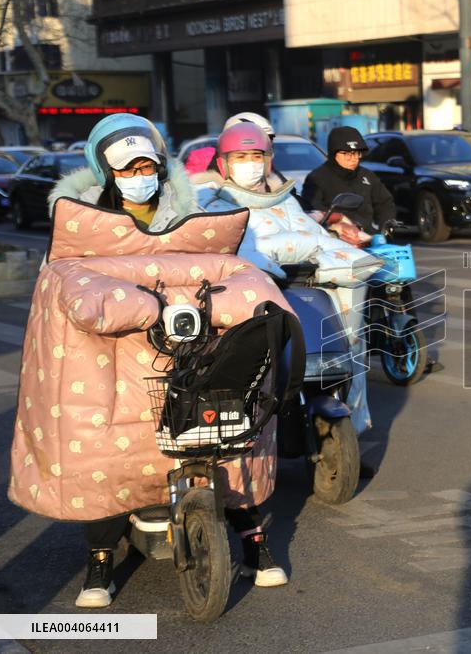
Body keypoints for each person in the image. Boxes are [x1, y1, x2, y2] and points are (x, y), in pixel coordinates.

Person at [28, 114, 288, 609]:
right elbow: (67, 289)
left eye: (148, 164)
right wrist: (143, 305)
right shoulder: (78, 226)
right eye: (127, 168)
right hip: (111, 360)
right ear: (104, 170)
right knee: (103, 454)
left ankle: (254, 542)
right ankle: (101, 561)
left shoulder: (193, 214)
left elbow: (232, 269)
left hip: (188, 352)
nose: (139, 175)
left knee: (231, 433)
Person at [194, 121, 378, 436]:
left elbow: (316, 238)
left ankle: (355, 428)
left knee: (351, 346)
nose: (250, 165)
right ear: (224, 163)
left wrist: (340, 254)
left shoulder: (284, 197)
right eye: (241, 157)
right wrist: (280, 255)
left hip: (305, 287)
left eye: (256, 156)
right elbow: (239, 249)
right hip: (255, 294)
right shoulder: (212, 201)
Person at [50, 113, 197, 231]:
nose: (139, 176)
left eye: (146, 167)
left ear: (159, 168)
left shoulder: (186, 210)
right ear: (107, 173)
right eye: (127, 169)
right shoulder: (80, 214)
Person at [302, 126, 396, 232]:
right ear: (334, 153)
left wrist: (386, 226)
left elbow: (385, 203)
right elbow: (314, 212)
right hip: (336, 240)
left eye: (357, 153)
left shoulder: (367, 176)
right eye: (347, 154)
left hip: (367, 238)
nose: (353, 159)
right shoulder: (317, 178)